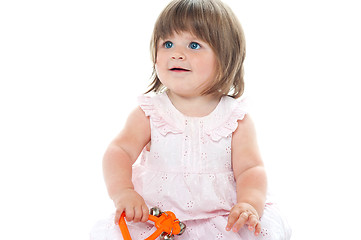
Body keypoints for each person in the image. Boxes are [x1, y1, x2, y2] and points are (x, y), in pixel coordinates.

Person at [90, 0, 291, 239]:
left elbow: (251, 169)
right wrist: (123, 192)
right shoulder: (151, 112)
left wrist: (249, 203)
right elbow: (118, 152)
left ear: (226, 58)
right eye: (167, 43)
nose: (176, 53)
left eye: (194, 45)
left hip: (222, 219)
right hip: (159, 220)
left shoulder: (234, 118)